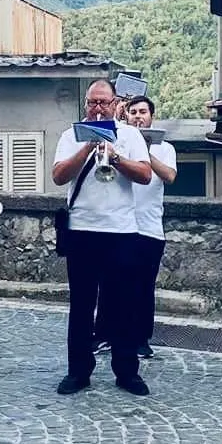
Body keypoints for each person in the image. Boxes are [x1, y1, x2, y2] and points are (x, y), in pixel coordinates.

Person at [49, 80, 155, 397]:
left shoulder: (130, 135)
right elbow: (58, 177)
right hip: (82, 230)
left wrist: (116, 156)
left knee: (124, 304)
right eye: (93, 103)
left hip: (121, 231)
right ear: (86, 105)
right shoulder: (71, 135)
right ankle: (78, 372)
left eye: (104, 103)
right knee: (82, 305)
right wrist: (87, 146)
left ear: (115, 105)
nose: (98, 108)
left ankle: (126, 372)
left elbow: (146, 175)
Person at [124, 95, 176, 360]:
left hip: (150, 228)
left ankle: (142, 339)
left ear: (151, 117)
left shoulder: (165, 148)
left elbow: (169, 176)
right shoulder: (121, 142)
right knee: (116, 286)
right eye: (133, 112)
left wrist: (147, 152)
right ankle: (110, 335)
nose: (137, 116)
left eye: (142, 112)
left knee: (144, 288)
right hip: (121, 226)